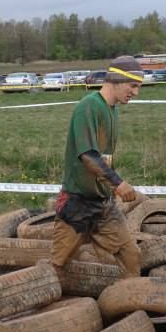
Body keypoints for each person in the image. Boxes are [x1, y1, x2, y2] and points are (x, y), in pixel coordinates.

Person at [51, 56, 143, 278]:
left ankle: (131, 298)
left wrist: (111, 188)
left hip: (103, 204)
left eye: (138, 87)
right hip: (77, 204)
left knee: (131, 256)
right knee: (57, 266)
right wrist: (118, 184)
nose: (136, 92)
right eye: (133, 86)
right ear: (116, 80)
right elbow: (88, 156)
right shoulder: (89, 106)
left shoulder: (112, 110)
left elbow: (103, 158)